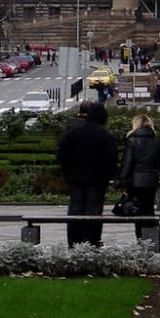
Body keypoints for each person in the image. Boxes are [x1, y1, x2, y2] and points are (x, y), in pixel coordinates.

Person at [56, 102, 117, 247]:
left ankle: (74, 241)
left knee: (75, 210)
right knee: (94, 211)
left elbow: (61, 154)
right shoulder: (105, 135)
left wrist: (67, 173)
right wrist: (109, 177)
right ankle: (92, 241)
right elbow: (111, 158)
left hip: (75, 178)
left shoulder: (73, 132)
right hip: (97, 180)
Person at [117, 114, 160, 247]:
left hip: (136, 182)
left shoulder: (132, 140)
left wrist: (120, 181)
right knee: (149, 211)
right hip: (151, 181)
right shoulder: (156, 140)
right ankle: (157, 242)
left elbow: (127, 163)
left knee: (138, 214)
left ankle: (143, 242)